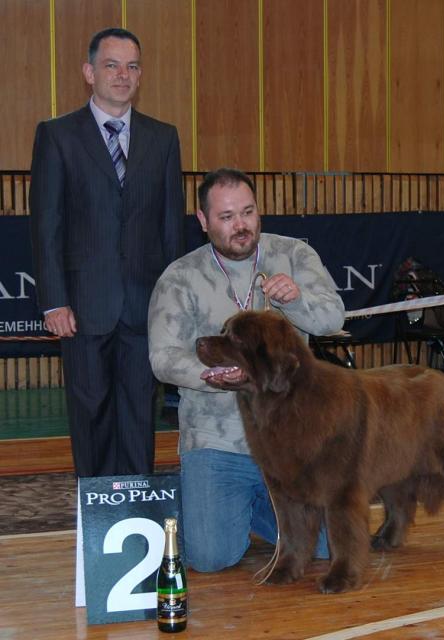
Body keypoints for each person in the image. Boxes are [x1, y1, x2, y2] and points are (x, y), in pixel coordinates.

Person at [148, 167, 345, 572]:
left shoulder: (294, 254)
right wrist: (212, 377)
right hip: (217, 443)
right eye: (226, 217)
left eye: (248, 212)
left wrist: (296, 298)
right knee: (210, 557)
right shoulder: (179, 277)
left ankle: (264, 506)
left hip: (292, 441)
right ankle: (239, 504)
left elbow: (331, 318)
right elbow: (163, 358)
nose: (241, 225)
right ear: (202, 221)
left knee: (328, 547)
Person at [29, 27, 185, 477]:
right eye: (111, 65)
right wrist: (54, 300)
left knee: (140, 416)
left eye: (132, 66)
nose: (122, 75)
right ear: (88, 72)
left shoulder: (164, 138)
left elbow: (171, 228)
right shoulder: (57, 136)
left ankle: (136, 515)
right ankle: (97, 522)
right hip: (82, 307)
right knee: (90, 416)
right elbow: (46, 225)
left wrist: (171, 303)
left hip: (144, 307)